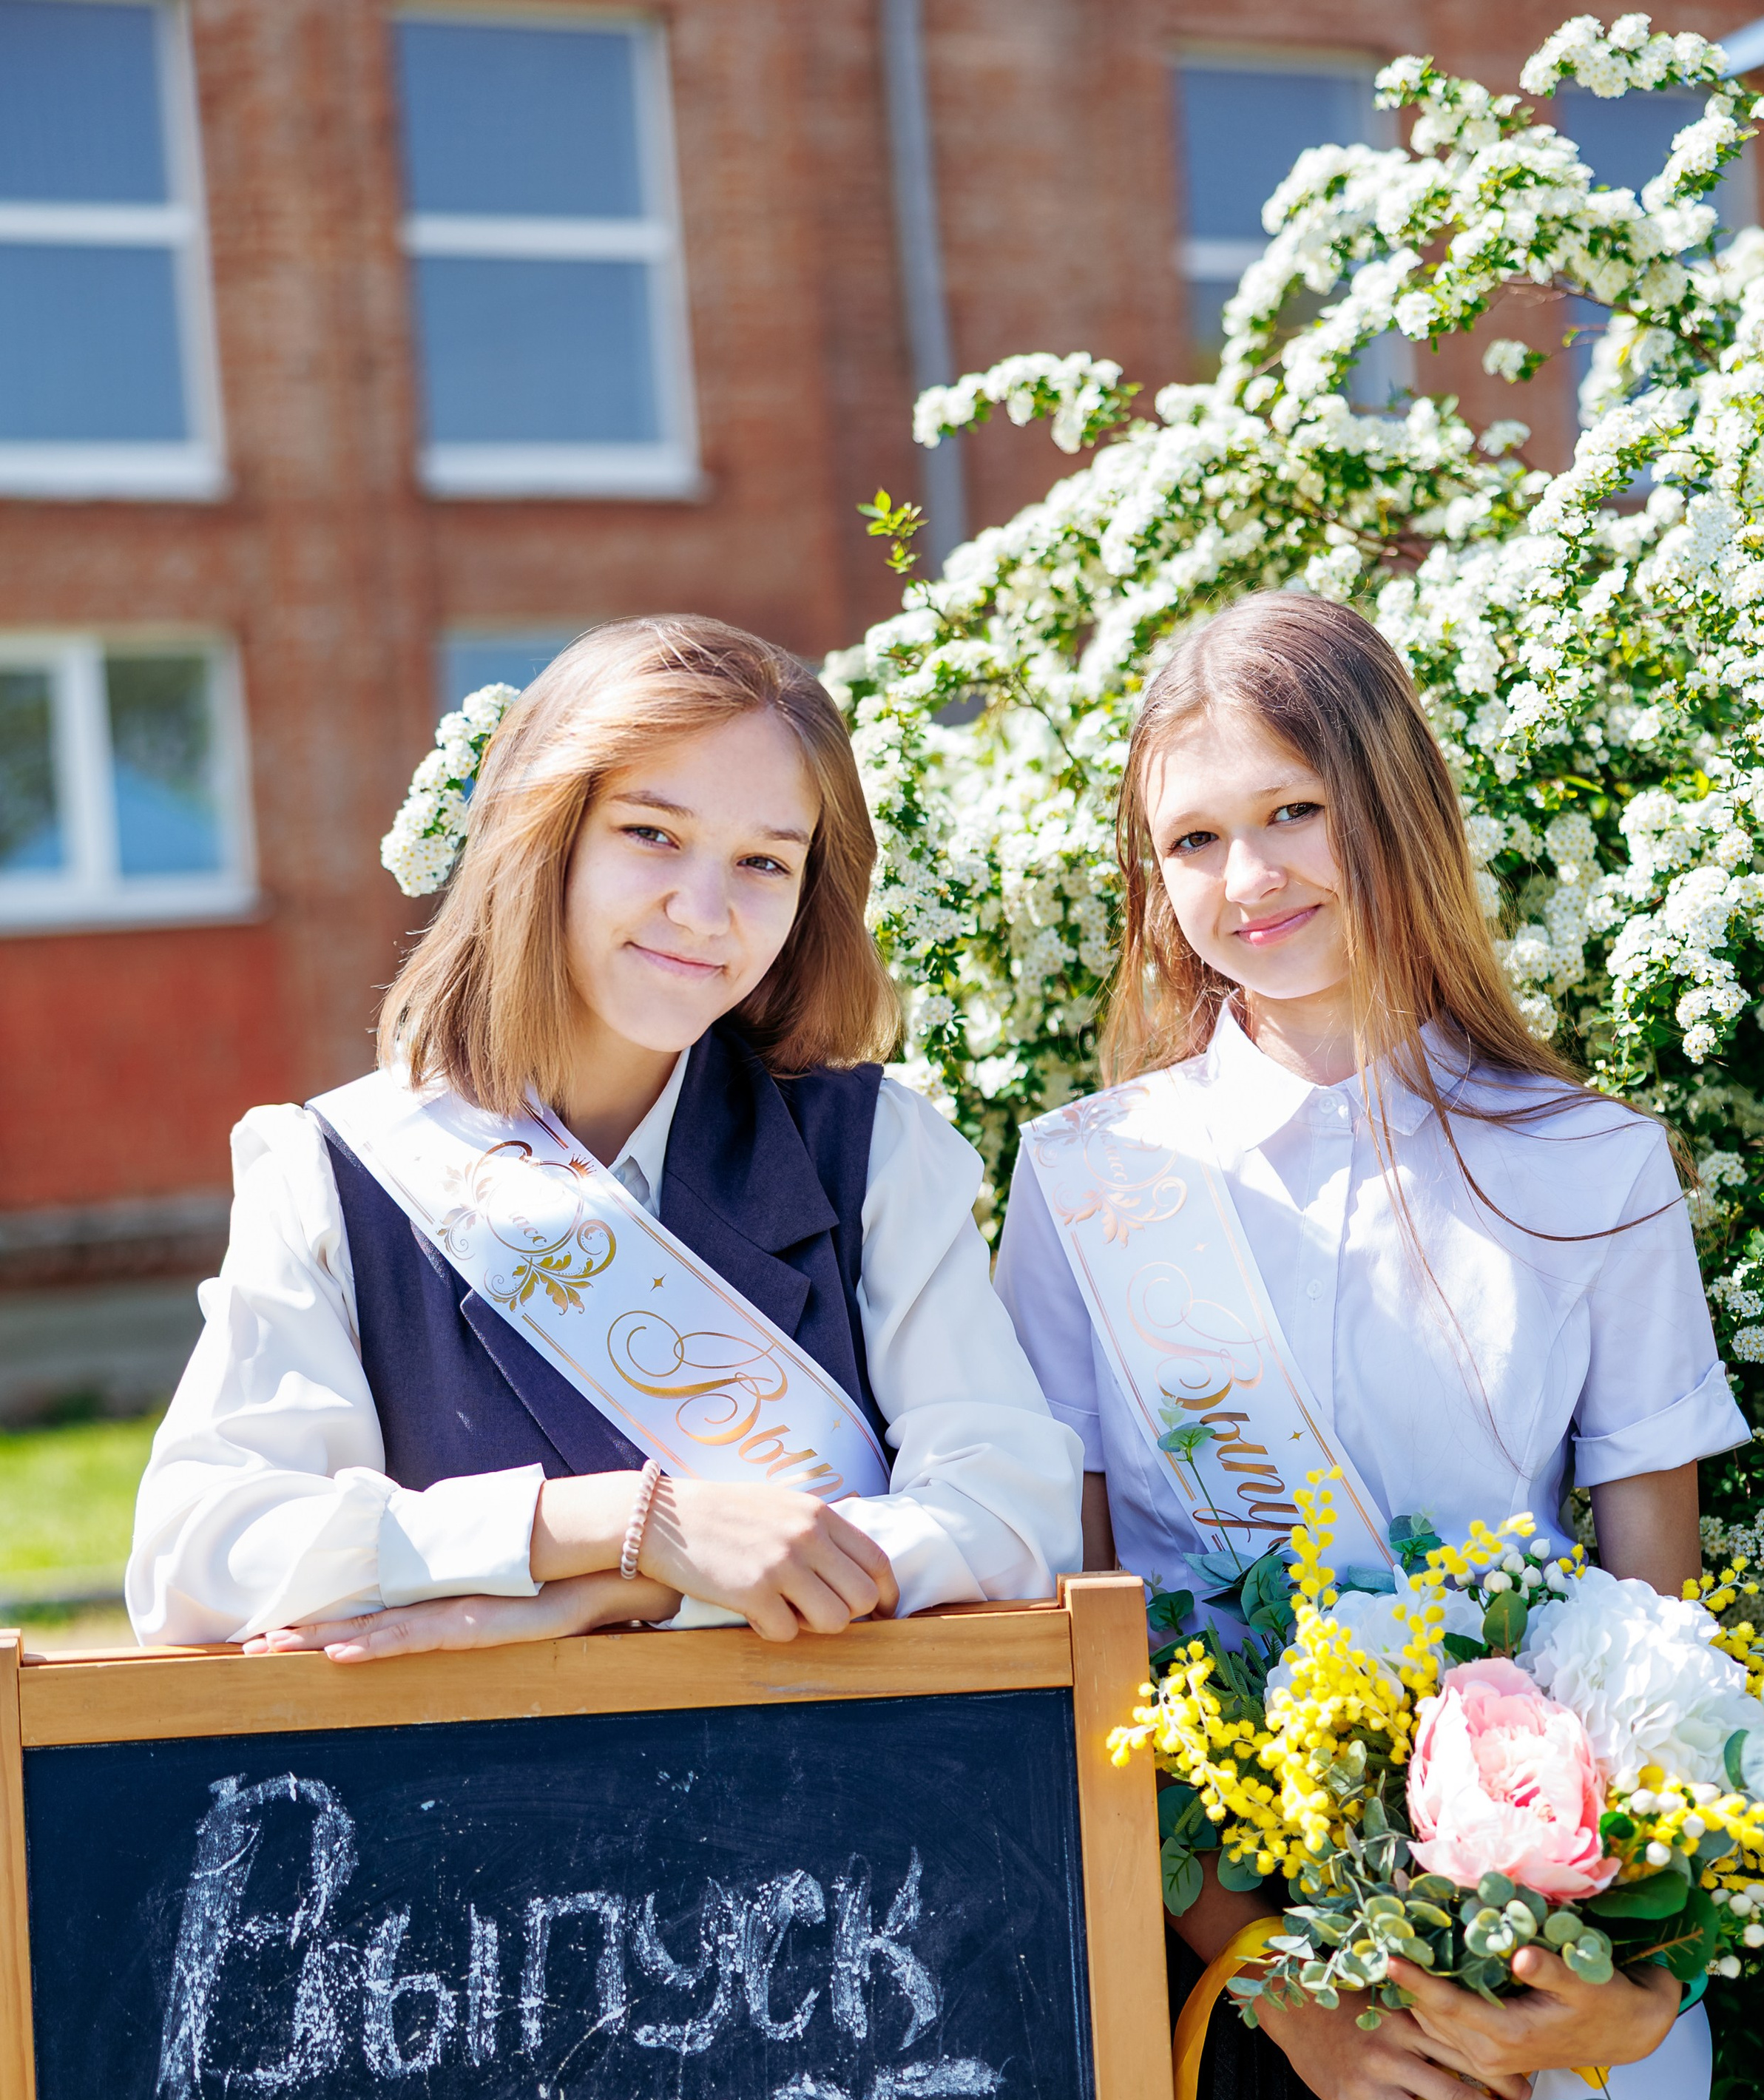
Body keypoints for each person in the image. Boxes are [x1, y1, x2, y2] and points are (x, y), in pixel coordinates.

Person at [994, 591, 1764, 2100]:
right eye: (1193, 841)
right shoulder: (1096, 1181)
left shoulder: (1585, 1161)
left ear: (1390, 810)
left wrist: (1587, 1983)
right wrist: (1278, 1984)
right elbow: (1083, 1622)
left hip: (1524, 1980)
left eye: (1292, 814)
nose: (1247, 883)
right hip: (1263, 2017)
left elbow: (1660, 1602)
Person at [130, 615, 1082, 1653]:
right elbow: (196, 1560)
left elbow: (1016, 1519)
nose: (705, 910)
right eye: (652, 834)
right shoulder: (335, 1174)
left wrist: (642, 1595)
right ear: (544, 837)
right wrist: (611, 1527)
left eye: (765, 862)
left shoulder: (872, 1151)